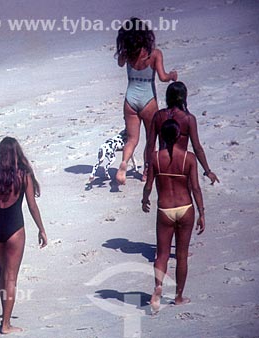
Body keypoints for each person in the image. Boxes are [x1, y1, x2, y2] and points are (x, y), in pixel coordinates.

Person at [0, 137, 47, 334]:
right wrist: (41, 229)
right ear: (17, 155)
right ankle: (6, 324)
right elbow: (32, 205)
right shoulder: (23, 176)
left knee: (3, 271)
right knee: (11, 276)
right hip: (15, 228)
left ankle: (4, 314)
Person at [142, 119, 205, 313]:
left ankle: (158, 286)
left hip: (165, 209)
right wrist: (202, 213)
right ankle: (178, 296)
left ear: (161, 136)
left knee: (161, 253)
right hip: (185, 207)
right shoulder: (189, 158)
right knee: (182, 255)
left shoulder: (155, 158)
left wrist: (144, 200)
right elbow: (195, 187)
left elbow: (149, 185)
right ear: (179, 136)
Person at [115, 17, 178, 184]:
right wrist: (172, 75)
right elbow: (163, 77)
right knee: (151, 139)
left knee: (132, 139)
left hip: (130, 99)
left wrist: (125, 50)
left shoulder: (126, 54)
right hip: (148, 99)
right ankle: (146, 172)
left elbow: (121, 64)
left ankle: (124, 163)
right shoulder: (154, 54)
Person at [146, 81, 220, 184]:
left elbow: (150, 144)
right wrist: (207, 171)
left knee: (164, 195)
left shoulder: (158, 116)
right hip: (181, 162)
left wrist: (148, 164)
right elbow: (197, 148)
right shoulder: (189, 118)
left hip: (162, 162)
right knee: (183, 194)